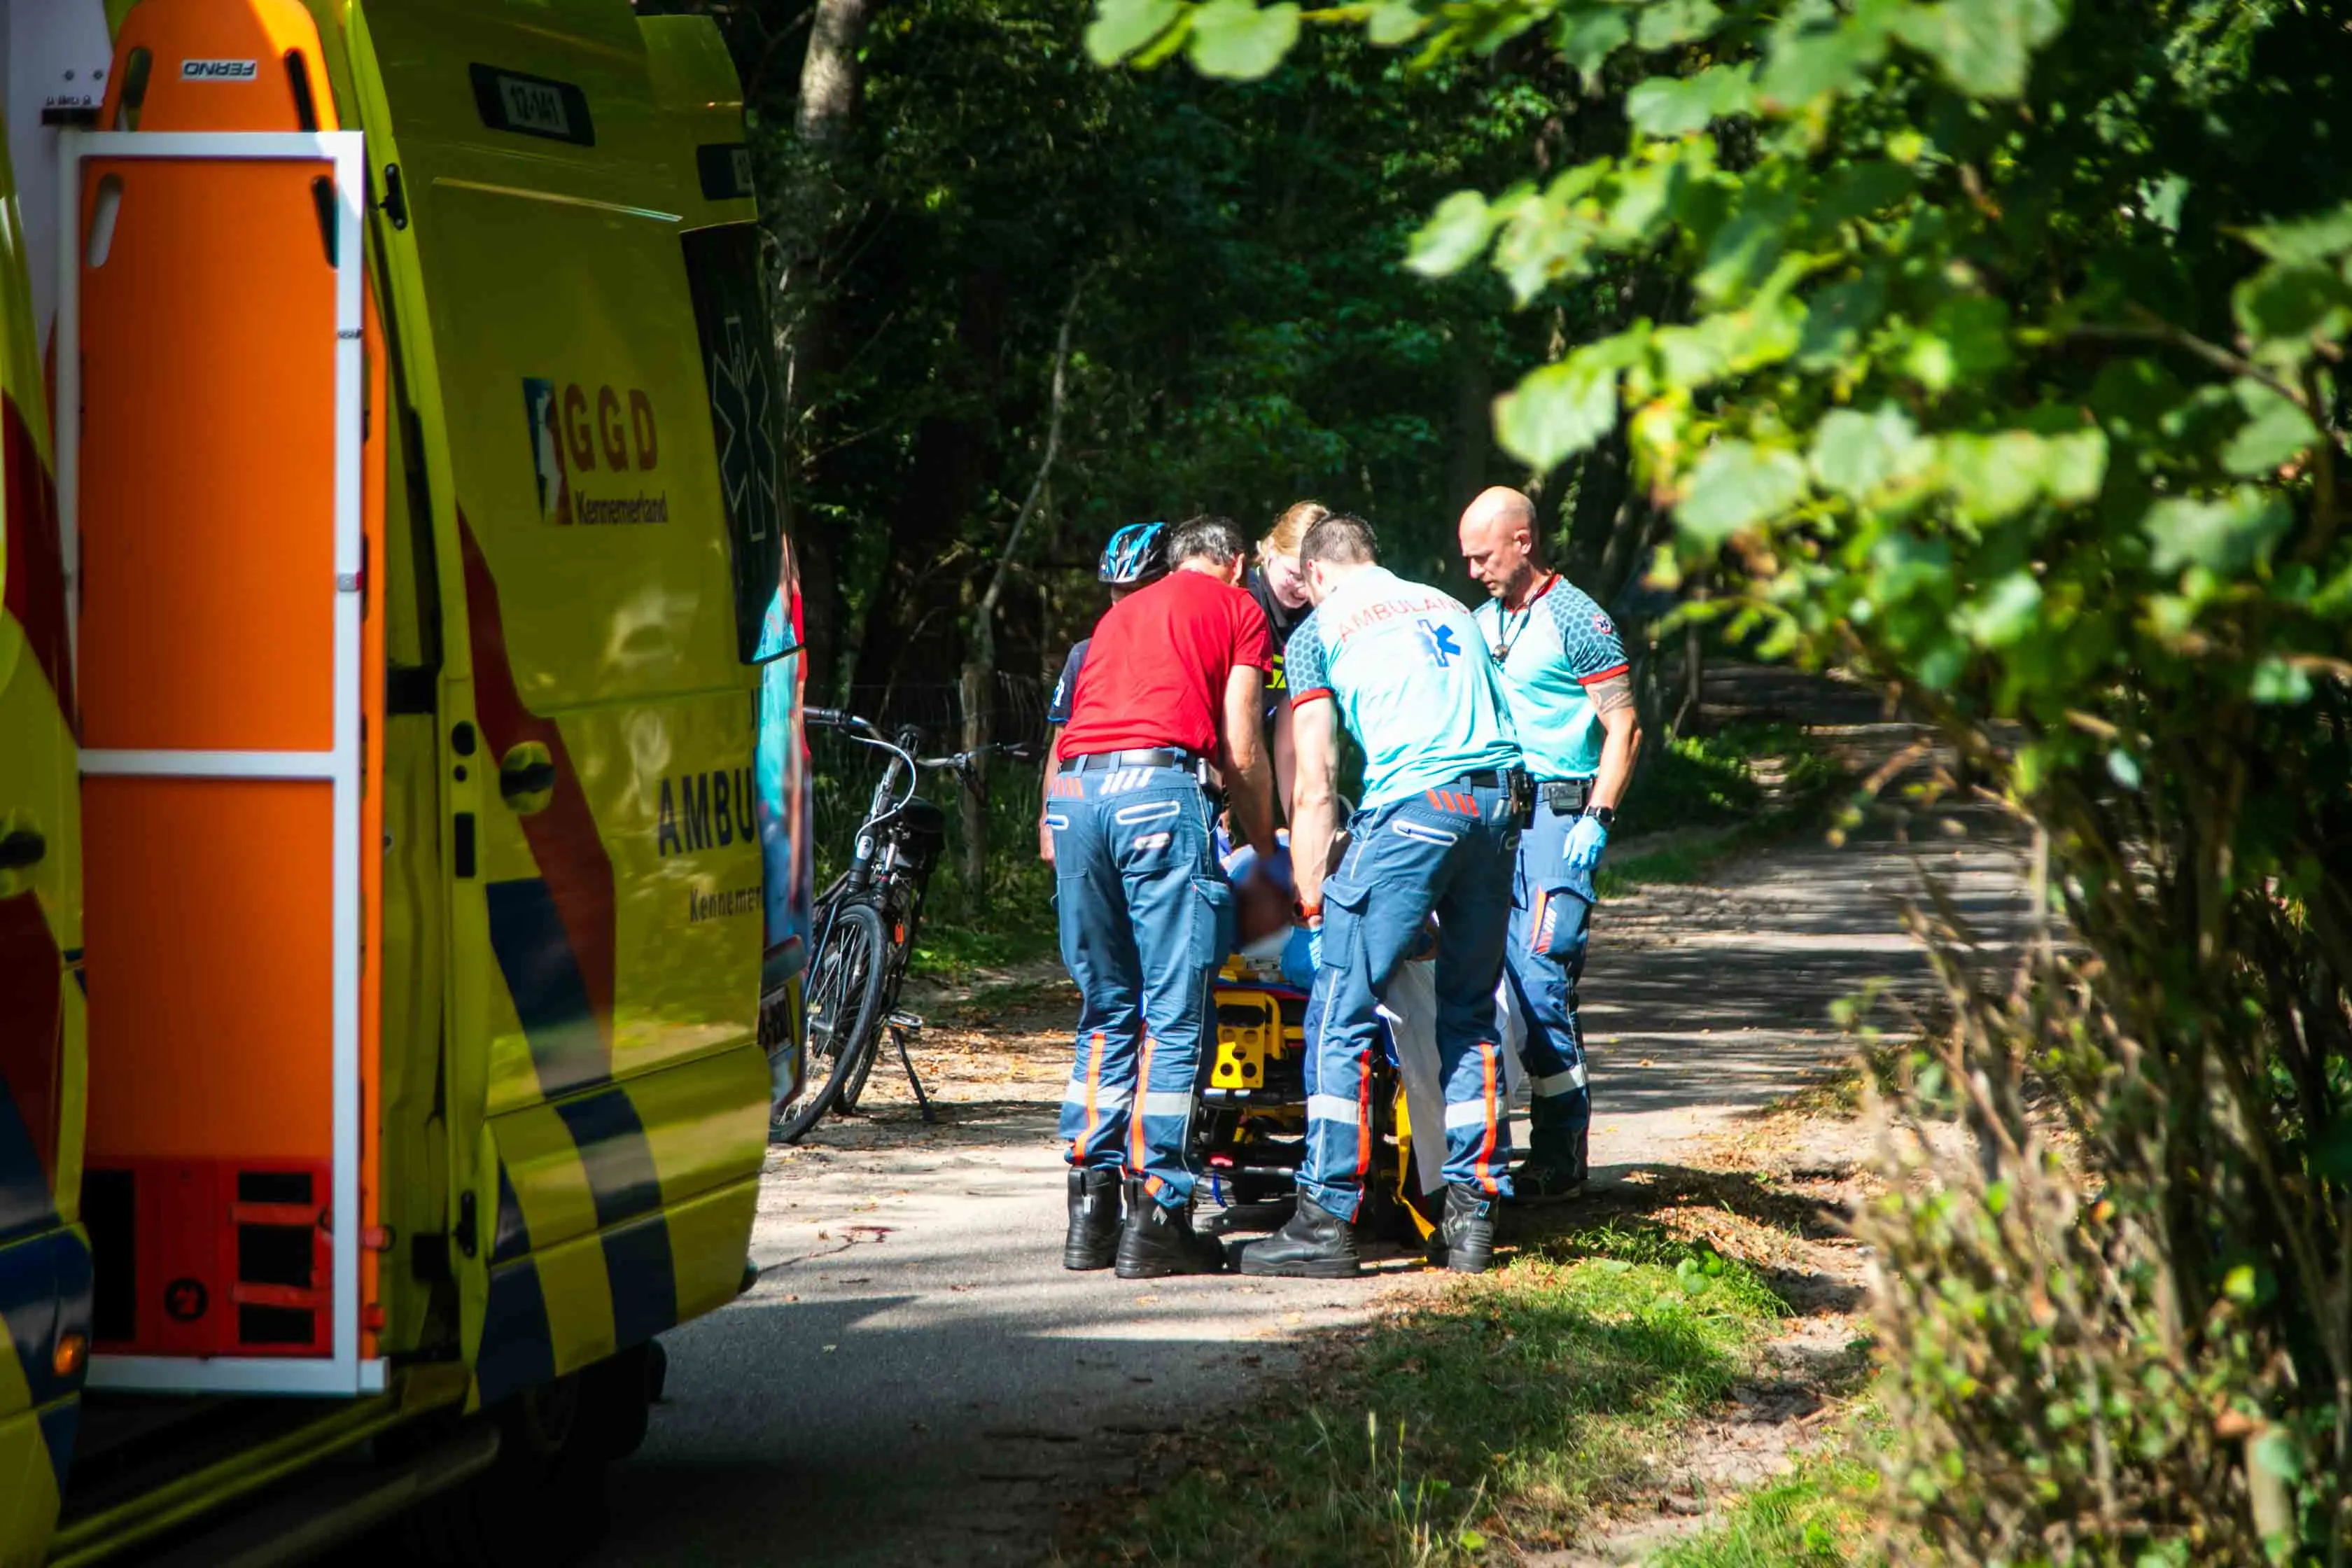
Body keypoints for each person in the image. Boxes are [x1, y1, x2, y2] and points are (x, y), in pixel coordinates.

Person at [1237, 513, 1528, 1280]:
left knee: (1340, 1009)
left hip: (1414, 812)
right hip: (1499, 809)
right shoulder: (1448, 605)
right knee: (1468, 1014)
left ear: (1320, 574)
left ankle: (1324, 1217)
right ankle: (1470, 1217)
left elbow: (1317, 779)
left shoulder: (1318, 629)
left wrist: (1307, 892)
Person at [1047, 515, 1278, 1278]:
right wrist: (1268, 846)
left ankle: (1090, 1208)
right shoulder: (1239, 608)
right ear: (1238, 562)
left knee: (1105, 1005)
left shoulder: (1118, 613)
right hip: (1156, 791)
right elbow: (1240, 746)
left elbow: (1075, 723)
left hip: (1078, 796)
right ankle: (1159, 1217)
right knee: (1175, 1015)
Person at [1457, 486, 1642, 1201]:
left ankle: (1561, 1148)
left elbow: (1623, 727)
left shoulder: (1577, 618)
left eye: (1483, 556)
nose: (1474, 570)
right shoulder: (1477, 622)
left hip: (1560, 818)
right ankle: (1483, 1144)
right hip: (1493, 816)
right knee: (1484, 981)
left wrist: (1599, 814)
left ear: (1523, 541)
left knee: (1541, 979)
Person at [1040, 522, 1170, 862]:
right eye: (1117, 592)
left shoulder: (1178, 652)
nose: (1124, 603)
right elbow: (1061, 742)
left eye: (1136, 590)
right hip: (1086, 807)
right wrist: (1047, 822)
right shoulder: (1084, 654)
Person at [1247, 502, 1322, 808]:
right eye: (1293, 574)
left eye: (1311, 579)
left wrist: (1297, 824)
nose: (1302, 590)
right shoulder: (1245, 602)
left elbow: (1290, 742)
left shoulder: (1309, 621)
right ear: (1270, 552)